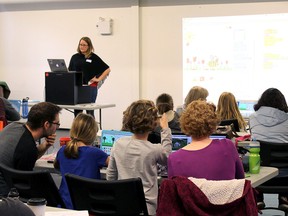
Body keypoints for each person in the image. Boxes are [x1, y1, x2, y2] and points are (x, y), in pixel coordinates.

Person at [106, 100, 172, 215]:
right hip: (147, 209)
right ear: (153, 124)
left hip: (123, 206)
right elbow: (168, 156)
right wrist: (165, 129)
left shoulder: (118, 144)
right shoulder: (154, 149)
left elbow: (111, 177)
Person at [168, 100, 245, 180]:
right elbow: (241, 182)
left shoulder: (174, 158)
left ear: (184, 124)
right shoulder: (228, 146)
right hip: (225, 192)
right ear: (213, 123)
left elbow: (172, 190)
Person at [0, 102, 62, 197]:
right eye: (57, 124)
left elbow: (27, 156)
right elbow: (24, 186)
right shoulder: (27, 147)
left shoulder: (13, 126)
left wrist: (45, 145)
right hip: (4, 194)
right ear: (46, 124)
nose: (57, 127)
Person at [54, 113, 109, 209]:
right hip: (89, 206)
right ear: (92, 134)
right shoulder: (95, 153)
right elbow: (115, 164)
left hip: (64, 205)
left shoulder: (62, 150)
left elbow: (57, 166)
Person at [249, 88, 288, 209]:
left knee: (253, 156)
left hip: (260, 176)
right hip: (286, 177)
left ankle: (258, 197)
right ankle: (284, 198)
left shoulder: (252, 118)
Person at [68, 36, 111, 118]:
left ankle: (92, 130)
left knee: (89, 112)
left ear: (89, 46)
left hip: (90, 87)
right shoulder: (75, 57)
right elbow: (70, 71)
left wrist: (98, 79)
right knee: (77, 112)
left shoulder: (93, 57)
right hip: (78, 87)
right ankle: (78, 130)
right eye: (80, 44)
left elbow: (107, 69)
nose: (82, 46)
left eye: (84, 45)